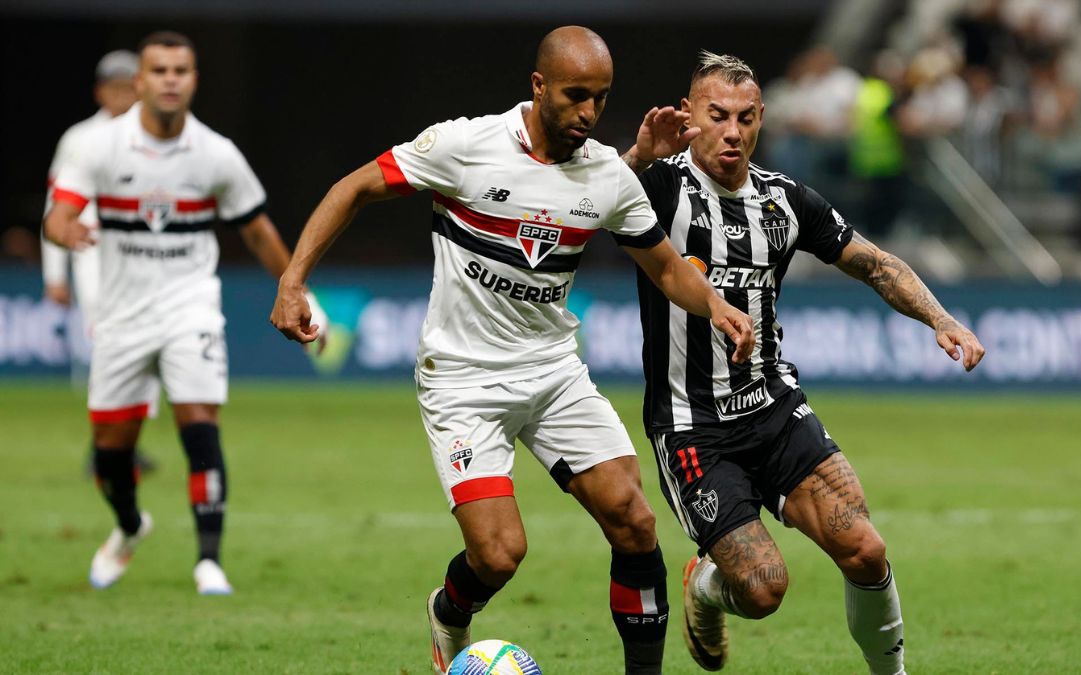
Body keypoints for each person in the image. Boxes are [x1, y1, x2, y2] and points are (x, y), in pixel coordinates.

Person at [269, 26, 753, 675]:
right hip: (463, 377)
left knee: (634, 521)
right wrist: (294, 280)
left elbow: (667, 268)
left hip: (553, 370)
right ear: (538, 86)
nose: (587, 112)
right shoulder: (465, 146)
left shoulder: (606, 174)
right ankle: (449, 609)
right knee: (499, 555)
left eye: (600, 99)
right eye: (575, 95)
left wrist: (716, 304)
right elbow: (353, 187)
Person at [620, 52, 985, 674]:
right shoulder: (658, 187)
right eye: (716, 116)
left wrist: (941, 318)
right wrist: (633, 160)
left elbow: (875, 264)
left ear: (761, 118)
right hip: (693, 429)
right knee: (762, 590)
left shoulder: (784, 201)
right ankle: (706, 586)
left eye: (744, 117)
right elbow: (580, 205)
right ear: (689, 117)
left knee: (865, 549)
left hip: (774, 409)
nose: (731, 131)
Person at [44, 31, 324, 596]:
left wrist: (297, 290)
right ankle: (129, 526)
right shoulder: (97, 147)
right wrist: (64, 229)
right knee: (109, 454)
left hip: (190, 308)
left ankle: (209, 561)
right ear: (140, 82)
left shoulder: (215, 154)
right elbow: (59, 213)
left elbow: (257, 228)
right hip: (121, 316)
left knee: (199, 428)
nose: (171, 79)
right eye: (160, 70)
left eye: (182, 70)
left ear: (193, 80)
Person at [41, 49, 160, 475]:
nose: (122, 94)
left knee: (150, 350)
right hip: (92, 256)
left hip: (146, 260)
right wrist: (55, 273)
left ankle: (127, 444)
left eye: (129, 85)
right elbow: (55, 209)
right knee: (107, 347)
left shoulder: (155, 135)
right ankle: (103, 447)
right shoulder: (79, 140)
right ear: (99, 91)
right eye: (114, 86)